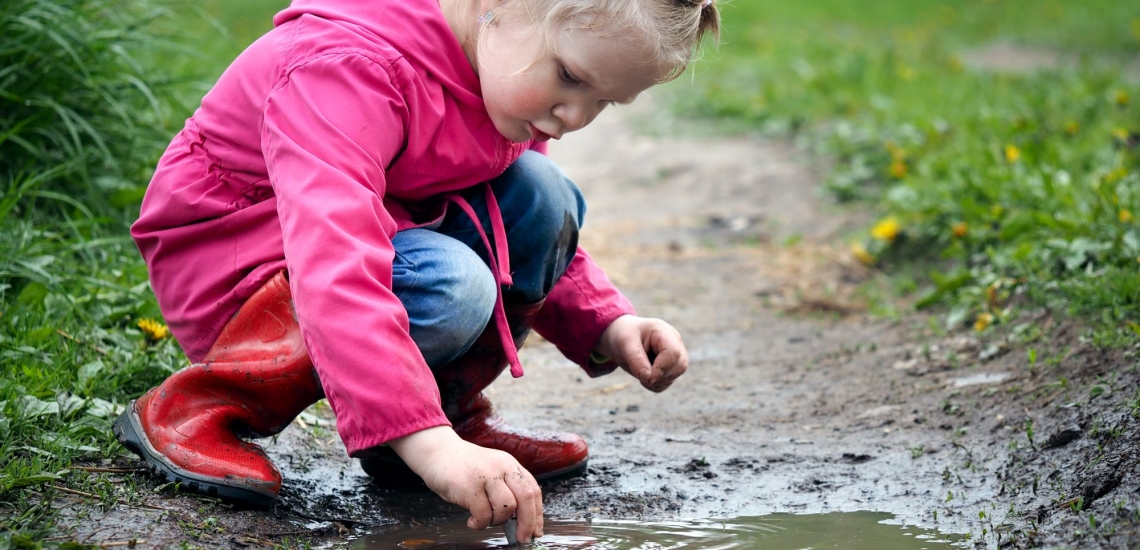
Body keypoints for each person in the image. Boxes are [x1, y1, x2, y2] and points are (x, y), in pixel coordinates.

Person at [113, 0, 718, 543]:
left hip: (383, 234)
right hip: (242, 256)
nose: (575, 115)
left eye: (604, 100)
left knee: (541, 193)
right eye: (570, 77)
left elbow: (506, 226)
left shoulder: (501, 67)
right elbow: (335, 259)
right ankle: (204, 405)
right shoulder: (347, 67)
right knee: (452, 287)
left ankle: (436, 420)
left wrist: (607, 322)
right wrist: (431, 447)